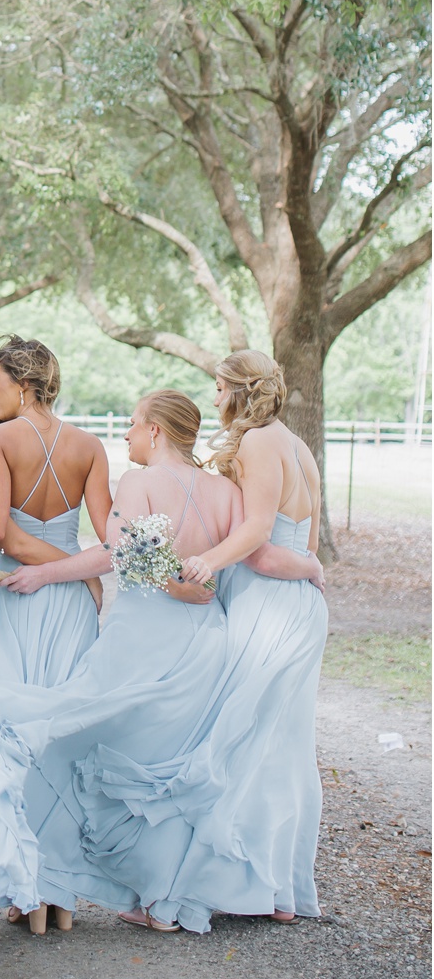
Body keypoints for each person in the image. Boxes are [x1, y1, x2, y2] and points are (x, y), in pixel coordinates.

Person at [162, 350, 328, 926]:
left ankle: (235, 883)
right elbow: (301, 542)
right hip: (302, 605)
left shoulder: (258, 442)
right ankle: (279, 888)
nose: (212, 398)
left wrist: (207, 560)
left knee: (239, 734)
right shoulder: (297, 443)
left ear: (237, 389)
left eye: (217, 387)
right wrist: (309, 567)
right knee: (284, 743)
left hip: (268, 602)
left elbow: (259, 540)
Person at [0, 335, 110, 931]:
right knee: (60, 740)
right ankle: (59, 897)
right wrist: (75, 576)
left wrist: (45, 571)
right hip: (69, 604)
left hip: (15, 598)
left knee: (11, 736)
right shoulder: (90, 446)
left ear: (22, 383)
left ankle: (24, 887)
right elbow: (111, 543)